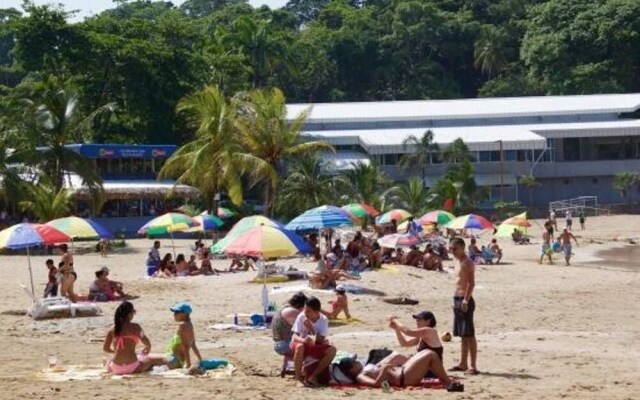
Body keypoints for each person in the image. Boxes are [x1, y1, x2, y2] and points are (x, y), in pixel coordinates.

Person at [337, 351, 463, 391]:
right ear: (352, 368)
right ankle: (447, 383)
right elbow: (377, 384)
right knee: (430, 354)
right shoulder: (360, 376)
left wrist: (385, 365)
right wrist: (384, 369)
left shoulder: (364, 370)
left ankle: (444, 379)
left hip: (402, 372)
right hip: (403, 378)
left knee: (425, 353)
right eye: (355, 362)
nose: (358, 361)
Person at [103, 301, 168, 375]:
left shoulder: (112, 329)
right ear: (130, 314)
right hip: (133, 367)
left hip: (116, 368)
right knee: (152, 360)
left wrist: (116, 352)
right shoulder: (135, 327)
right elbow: (144, 338)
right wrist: (148, 346)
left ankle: (107, 363)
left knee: (107, 360)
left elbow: (106, 348)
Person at [291, 297, 337, 387]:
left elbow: (322, 339)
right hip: (301, 343)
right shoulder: (301, 317)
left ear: (316, 312)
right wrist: (304, 340)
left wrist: (311, 328)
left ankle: (313, 376)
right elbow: (294, 336)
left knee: (332, 350)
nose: (305, 313)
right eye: (305, 310)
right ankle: (298, 378)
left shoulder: (323, 320)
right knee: (300, 347)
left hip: (314, 345)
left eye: (308, 311)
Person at [448, 237, 478, 375]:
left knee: (470, 334)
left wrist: (466, 300)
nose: (452, 251)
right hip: (457, 298)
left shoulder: (467, 262)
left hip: (465, 300)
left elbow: (471, 284)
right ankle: (463, 363)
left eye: (455, 248)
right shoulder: (458, 262)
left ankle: (473, 366)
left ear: (462, 247)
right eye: (451, 248)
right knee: (462, 334)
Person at [167, 303, 203, 371]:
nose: (174, 315)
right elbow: (193, 344)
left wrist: (188, 365)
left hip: (174, 360)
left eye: (177, 312)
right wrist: (200, 360)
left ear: (185, 314)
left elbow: (185, 347)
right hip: (179, 361)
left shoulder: (182, 325)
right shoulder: (190, 325)